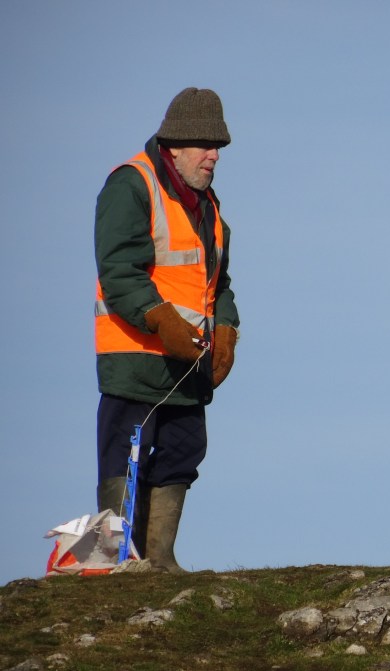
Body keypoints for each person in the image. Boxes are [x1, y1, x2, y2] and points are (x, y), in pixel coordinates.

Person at [93, 87, 240, 573]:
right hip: (135, 355)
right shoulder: (132, 185)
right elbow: (119, 271)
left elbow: (219, 283)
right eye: (205, 145)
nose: (214, 155)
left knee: (184, 450)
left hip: (188, 361)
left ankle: (159, 561)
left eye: (218, 146)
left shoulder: (208, 205)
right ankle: (115, 559)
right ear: (174, 145)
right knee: (125, 455)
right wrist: (161, 320)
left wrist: (227, 328)